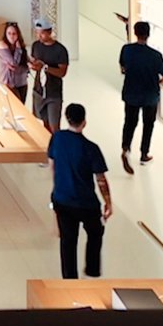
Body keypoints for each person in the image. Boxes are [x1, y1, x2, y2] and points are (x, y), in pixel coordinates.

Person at [45, 103, 112, 278]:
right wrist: (108, 202)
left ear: (67, 118)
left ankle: (69, 278)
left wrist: (57, 188)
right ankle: (92, 269)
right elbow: (101, 179)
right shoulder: (91, 148)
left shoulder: (57, 138)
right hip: (86, 203)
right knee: (95, 232)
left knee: (68, 241)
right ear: (84, 122)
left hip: (62, 200)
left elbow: (52, 166)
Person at [117, 21, 163, 173]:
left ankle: (126, 148)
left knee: (129, 122)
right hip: (150, 95)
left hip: (131, 93)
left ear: (135, 32)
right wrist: (157, 81)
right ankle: (144, 154)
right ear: (149, 34)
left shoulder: (126, 49)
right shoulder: (155, 55)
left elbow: (123, 67)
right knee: (148, 125)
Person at [28, 19, 70, 132]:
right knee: (40, 122)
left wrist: (46, 67)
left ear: (49, 32)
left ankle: (56, 147)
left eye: (42, 33)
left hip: (54, 93)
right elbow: (34, 61)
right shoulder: (36, 45)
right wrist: (32, 65)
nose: (39, 36)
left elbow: (62, 73)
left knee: (54, 126)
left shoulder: (60, 50)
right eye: (37, 32)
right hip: (38, 91)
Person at [0, 22, 30, 107]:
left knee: (22, 108)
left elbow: (26, 61)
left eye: (14, 34)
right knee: (15, 108)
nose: (11, 36)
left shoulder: (20, 45)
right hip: (9, 83)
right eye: (9, 33)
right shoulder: (2, 45)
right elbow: (14, 63)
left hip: (22, 82)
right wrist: (18, 49)